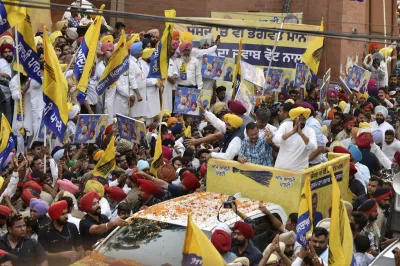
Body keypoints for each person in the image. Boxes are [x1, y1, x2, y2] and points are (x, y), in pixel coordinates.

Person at [38, 200, 84, 266]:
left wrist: (80, 256)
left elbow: (79, 248)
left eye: (66, 213)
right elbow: (43, 255)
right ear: (55, 216)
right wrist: (62, 255)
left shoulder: (72, 227)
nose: (66, 216)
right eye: (62, 214)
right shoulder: (44, 231)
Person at [273, 107, 317, 171]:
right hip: (280, 170)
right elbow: (276, 140)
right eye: (299, 119)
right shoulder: (285, 125)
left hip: (299, 172)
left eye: (303, 119)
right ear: (293, 119)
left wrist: (302, 134)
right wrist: (292, 132)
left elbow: (313, 148)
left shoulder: (310, 131)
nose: (301, 122)